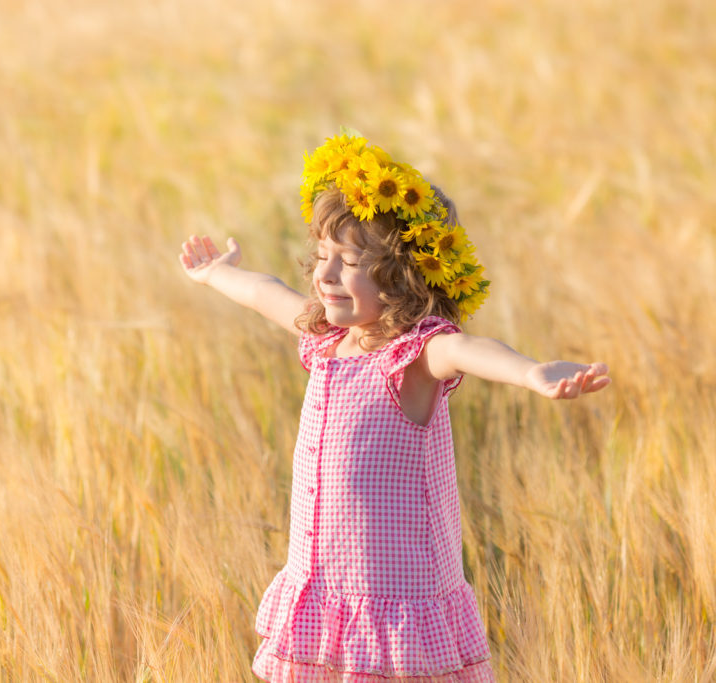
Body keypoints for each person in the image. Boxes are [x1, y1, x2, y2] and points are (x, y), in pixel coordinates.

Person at [178, 134, 610, 682]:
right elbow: (267, 293)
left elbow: (466, 350)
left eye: (350, 262)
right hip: (327, 588)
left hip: (394, 606)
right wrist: (215, 272)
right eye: (321, 257)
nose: (325, 275)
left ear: (402, 275)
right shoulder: (325, 340)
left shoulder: (412, 357)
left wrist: (530, 372)